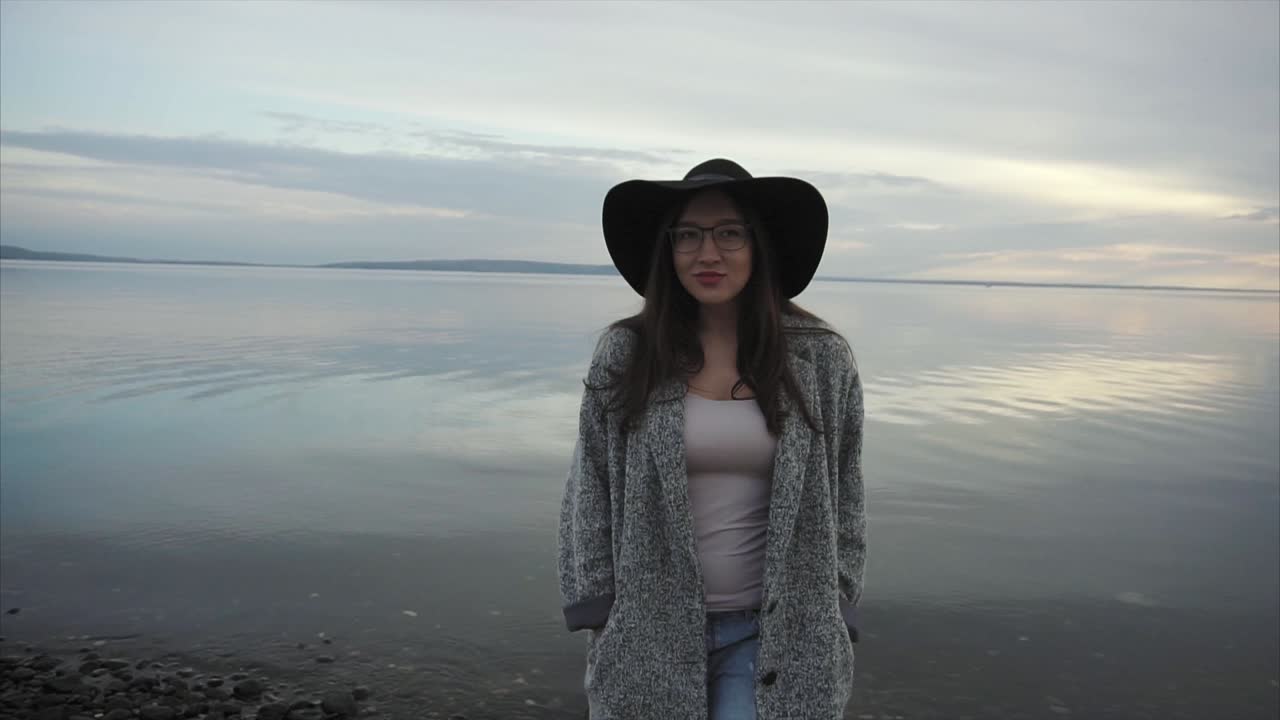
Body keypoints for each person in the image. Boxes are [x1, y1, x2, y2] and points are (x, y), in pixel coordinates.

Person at [557, 158, 866, 720]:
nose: (707, 253)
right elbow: (591, 483)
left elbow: (846, 488)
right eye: (689, 236)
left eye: (728, 233)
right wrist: (597, 603)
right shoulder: (627, 355)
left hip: (780, 634)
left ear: (759, 245)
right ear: (668, 250)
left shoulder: (821, 358)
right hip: (648, 630)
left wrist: (839, 601)